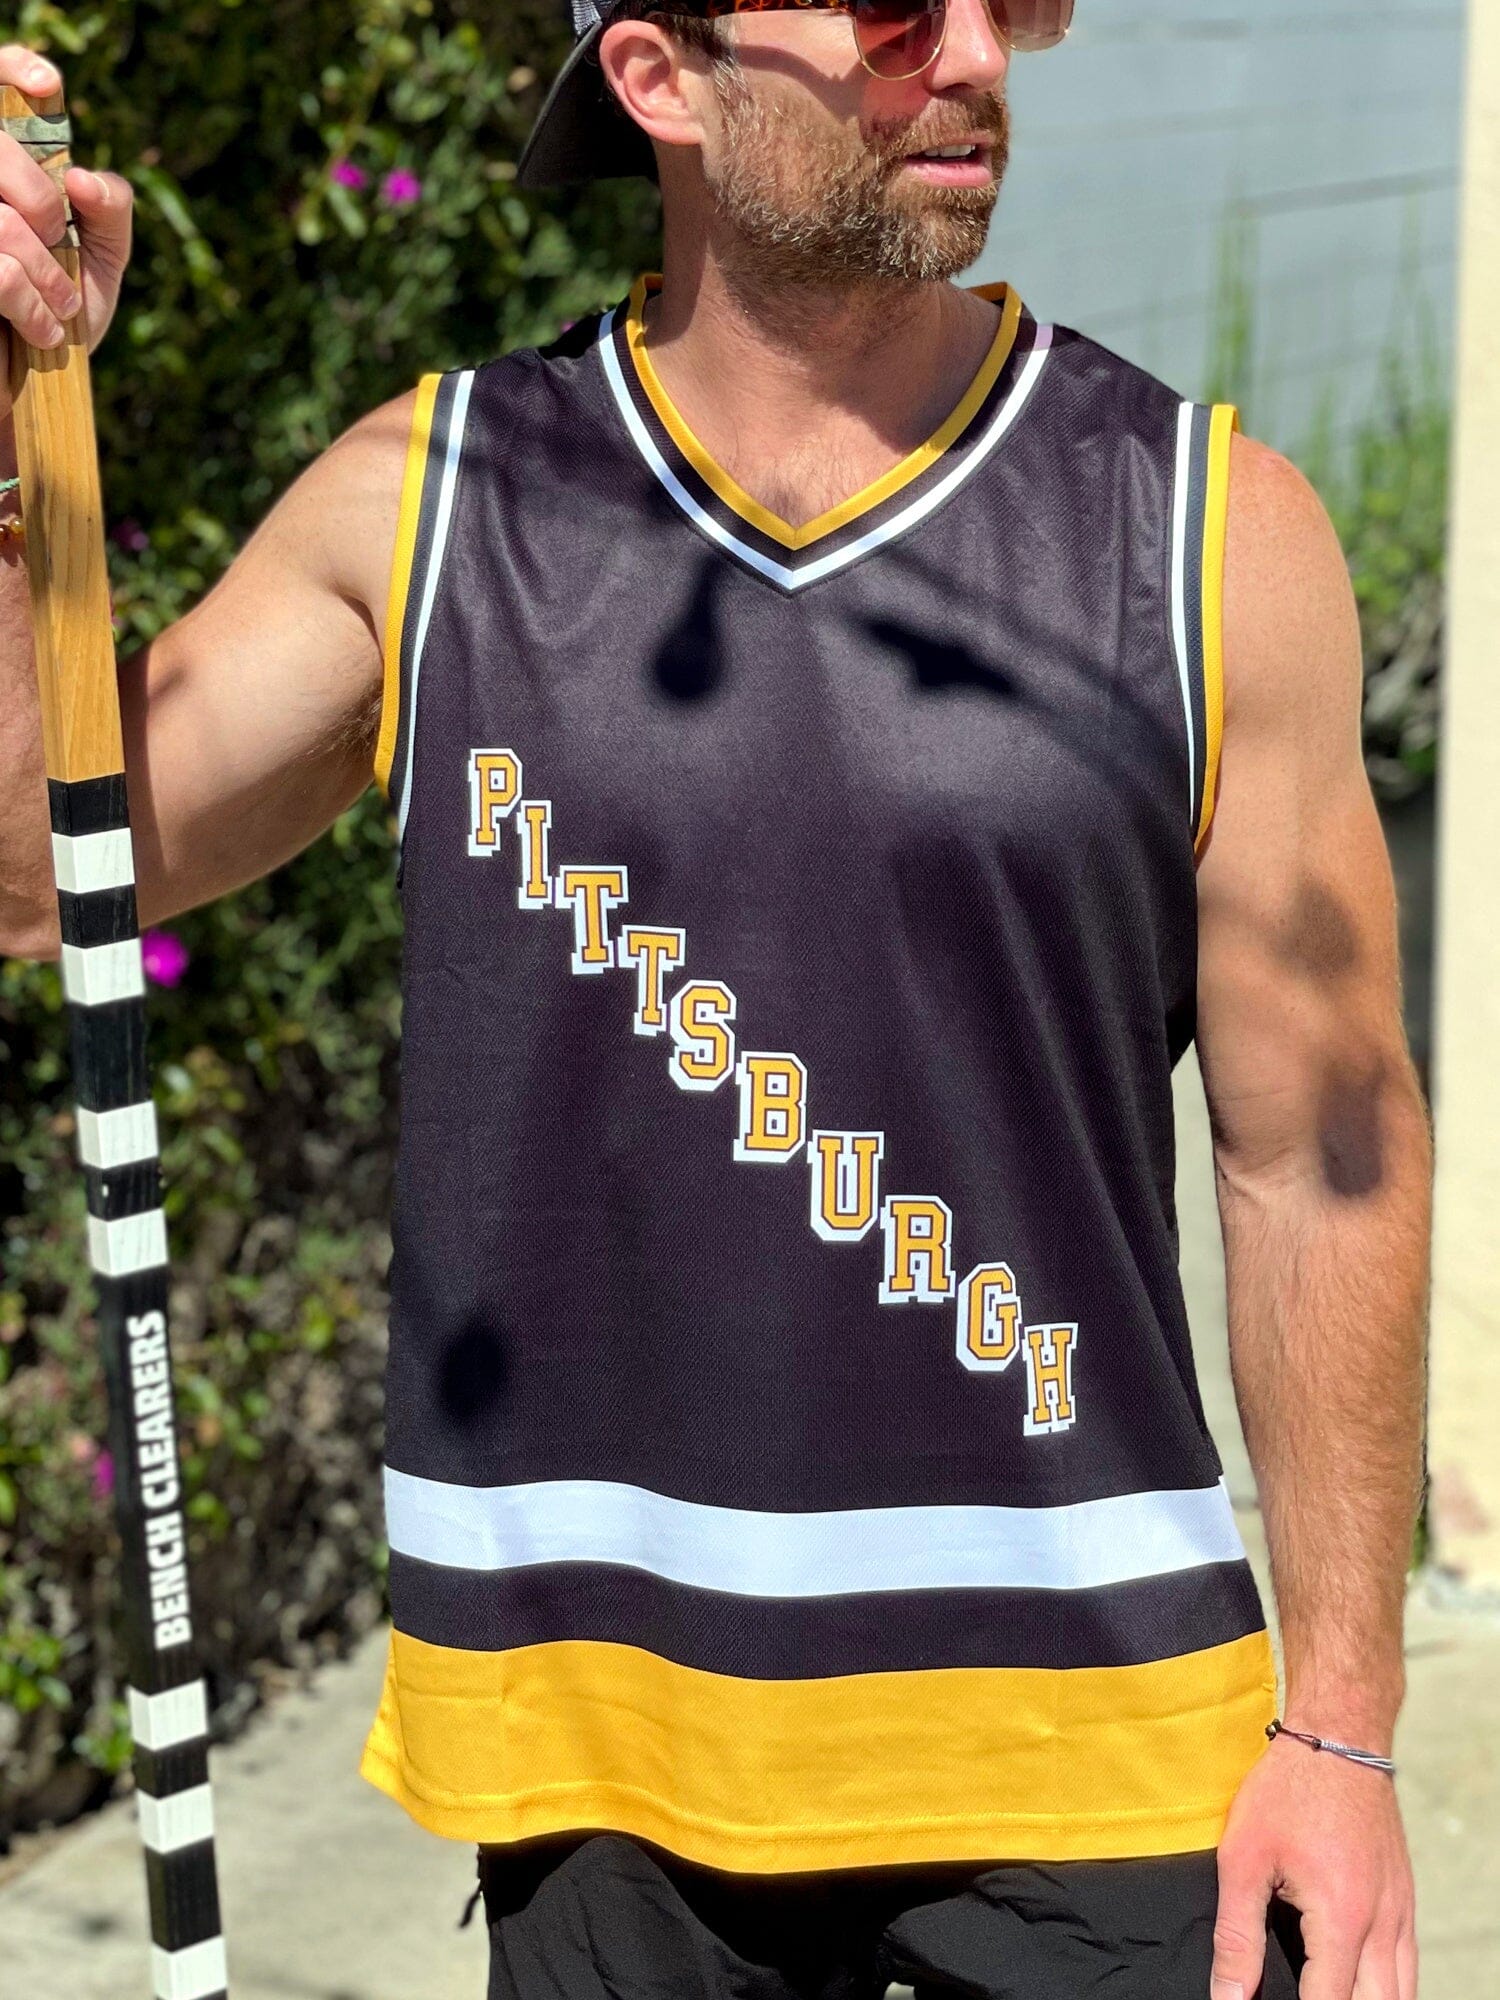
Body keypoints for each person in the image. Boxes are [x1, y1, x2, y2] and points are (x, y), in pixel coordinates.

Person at [0, 1, 1430, 1994]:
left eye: (1011, 1)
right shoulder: (434, 502)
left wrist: (1342, 1731)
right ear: (659, 79)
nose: (978, 59)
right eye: (892, 12)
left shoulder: (1206, 528)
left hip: (1101, 1744)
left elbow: (1318, 1159)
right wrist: (9, 438)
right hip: (611, 1760)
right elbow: (42, 865)